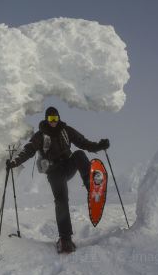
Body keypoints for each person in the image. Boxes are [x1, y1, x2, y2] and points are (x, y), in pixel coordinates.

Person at [6, 106, 109, 253]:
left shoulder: (66, 130)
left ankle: (91, 186)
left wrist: (99, 146)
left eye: (55, 118)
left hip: (68, 166)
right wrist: (15, 161)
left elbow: (83, 143)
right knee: (61, 200)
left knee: (79, 154)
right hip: (54, 172)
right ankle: (65, 239)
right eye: (50, 119)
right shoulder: (40, 135)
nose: (53, 122)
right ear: (47, 120)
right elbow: (29, 149)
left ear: (58, 118)